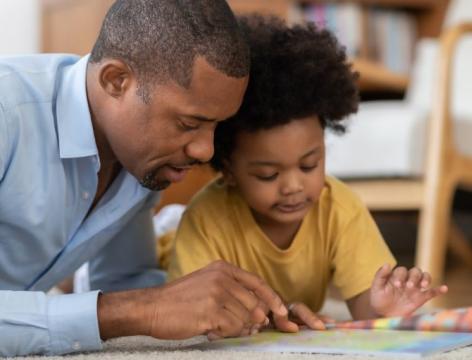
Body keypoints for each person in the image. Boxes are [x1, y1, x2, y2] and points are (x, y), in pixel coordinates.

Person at [0, 1, 293, 356]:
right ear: (116, 80)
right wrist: (142, 308)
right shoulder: (8, 114)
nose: (206, 151)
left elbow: (127, 284)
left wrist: (245, 311)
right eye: (188, 124)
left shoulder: (140, 162)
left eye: (217, 126)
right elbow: (135, 307)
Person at [166, 15, 448, 331]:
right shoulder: (206, 220)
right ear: (228, 170)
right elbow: (194, 313)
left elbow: (363, 305)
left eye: (309, 165)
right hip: (167, 253)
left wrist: (383, 307)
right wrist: (268, 317)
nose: (293, 186)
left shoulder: (339, 208)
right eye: (268, 175)